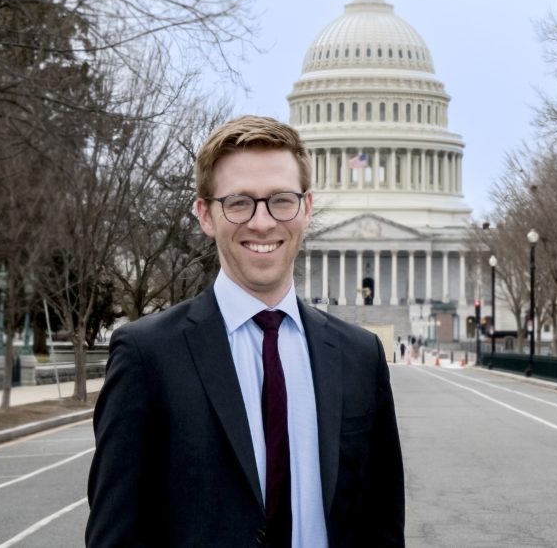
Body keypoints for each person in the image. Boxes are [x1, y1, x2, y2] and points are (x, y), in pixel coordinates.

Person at [86, 115, 405, 547]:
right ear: (205, 214)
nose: (262, 223)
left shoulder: (359, 355)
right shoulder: (148, 356)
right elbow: (116, 535)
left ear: (306, 208)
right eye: (239, 203)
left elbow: (381, 526)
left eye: (281, 200)